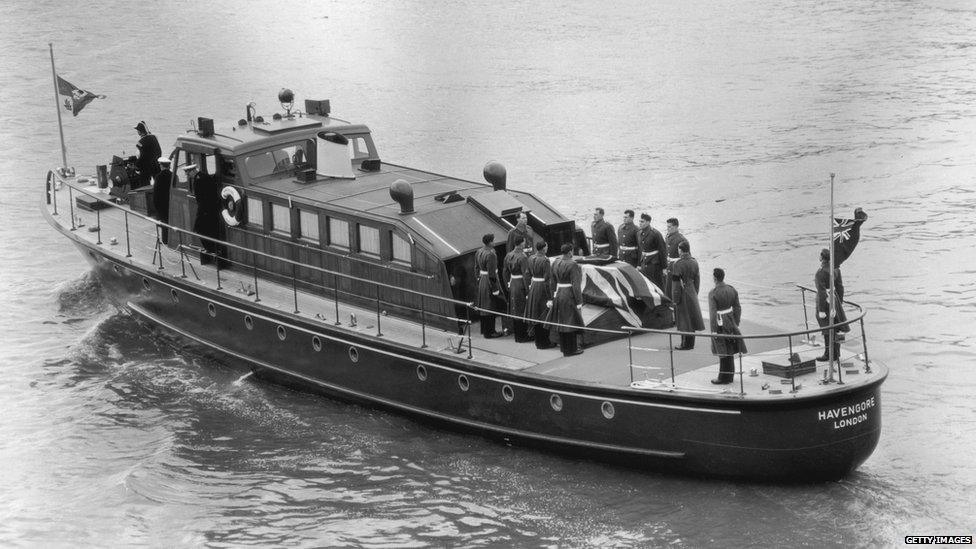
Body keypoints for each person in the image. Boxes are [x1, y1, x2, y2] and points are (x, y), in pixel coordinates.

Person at [708, 268, 746, 384]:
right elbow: (738, 307)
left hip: (720, 322)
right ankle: (730, 376)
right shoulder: (731, 289)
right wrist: (736, 322)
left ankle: (723, 377)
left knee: (722, 349)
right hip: (730, 319)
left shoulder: (713, 293)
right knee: (730, 347)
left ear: (715, 278)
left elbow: (713, 313)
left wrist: (713, 330)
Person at [548, 243, 584, 356]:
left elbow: (552, 281)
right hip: (569, 295)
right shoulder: (573, 264)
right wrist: (579, 301)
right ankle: (571, 349)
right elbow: (576, 285)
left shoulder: (556, 262)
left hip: (559, 294)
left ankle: (564, 348)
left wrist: (552, 296)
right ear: (570, 252)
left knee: (562, 322)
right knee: (570, 322)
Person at [815, 248, 848, 363]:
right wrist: (840, 302)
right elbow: (840, 287)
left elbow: (821, 292)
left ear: (822, 257)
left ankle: (828, 354)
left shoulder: (821, 272)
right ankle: (836, 353)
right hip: (835, 300)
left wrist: (821, 310)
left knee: (827, 329)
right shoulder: (836, 269)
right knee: (836, 327)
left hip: (826, 303)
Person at [671, 240, 704, 350]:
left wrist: (675, 298)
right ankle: (691, 343)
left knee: (684, 319)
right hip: (692, 291)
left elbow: (675, 284)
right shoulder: (694, 262)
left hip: (682, 292)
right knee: (692, 317)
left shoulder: (678, 264)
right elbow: (697, 279)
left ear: (680, 250)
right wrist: (695, 292)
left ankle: (684, 344)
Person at [525, 241, 557, 349]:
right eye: (546, 246)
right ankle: (544, 342)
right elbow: (547, 280)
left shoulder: (531, 258)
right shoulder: (545, 260)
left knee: (536, 313)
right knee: (543, 315)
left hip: (534, 286)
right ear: (543, 249)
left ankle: (538, 341)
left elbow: (528, 274)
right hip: (542, 288)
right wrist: (549, 297)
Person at [188, 164, 220, 265]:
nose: (188, 175)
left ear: (193, 171)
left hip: (206, 210)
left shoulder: (198, 180)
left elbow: (202, 199)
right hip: (212, 209)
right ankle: (213, 249)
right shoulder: (204, 176)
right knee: (210, 230)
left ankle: (210, 249)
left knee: (199, 228)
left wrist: (201, 213)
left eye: (188, 173)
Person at [503, 235, 532, 342]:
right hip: (520, 284)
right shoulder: (523, 257)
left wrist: (508, 285)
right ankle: (522, 336)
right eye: (524, 242)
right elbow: (526, 275)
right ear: (521, 243)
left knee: (514, 310)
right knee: (521, 309)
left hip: (512, 283)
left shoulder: (508, 255)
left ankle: (517, 335)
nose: (524, 244)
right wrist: (528, 290)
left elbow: (505, 272)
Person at [475, 233, 503, 338]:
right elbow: (491, 274)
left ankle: (485, 330)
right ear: (490, 242)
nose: (494, 242)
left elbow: (476, 268)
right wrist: (495, 288)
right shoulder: (491, 254)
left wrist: (478, 279)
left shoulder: (479, 251)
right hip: (489, 282)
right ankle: (490, 332)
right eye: (493, 240)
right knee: (490, 307)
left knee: (484, 307)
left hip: (482, 280)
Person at [637, 213, 667, 289]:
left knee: (657, 284)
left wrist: (664, 267)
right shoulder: (639, 233)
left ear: (648, 222)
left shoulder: (655, 234)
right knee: (646, 284)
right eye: (639, 221)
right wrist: (639, 264)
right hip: (644, 263)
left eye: (642, 221)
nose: (640, 223)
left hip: (654, 264)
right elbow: (640, 250)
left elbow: (662, 250)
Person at [664, 218, 688, 298]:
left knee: (675, 289)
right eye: (667, 227)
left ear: (676, 227)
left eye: (670, 227)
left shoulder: (681, 239)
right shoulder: (667, 237)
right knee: (668, 288)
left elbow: (686, 258)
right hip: (668, 266)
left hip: (676, 267)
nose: (668, 229)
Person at [134, 121, 162, 189]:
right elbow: (159, 151)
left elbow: (143, 156)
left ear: (140, 131)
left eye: (138, 130)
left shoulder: (140, 142)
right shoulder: (154, 137)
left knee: (145, 185)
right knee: (159, 183)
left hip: (146, 168)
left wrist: (136, 165)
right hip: (156, 164)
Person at [153, 156, 173, 245]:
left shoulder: (158, 177)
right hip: (172, 201)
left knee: (164, 221)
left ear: (161, 166)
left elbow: (156, 192)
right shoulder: (173, 175)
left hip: (162, 203)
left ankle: (165, 240)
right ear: (169, 166)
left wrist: (156, 205)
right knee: (171, 220)